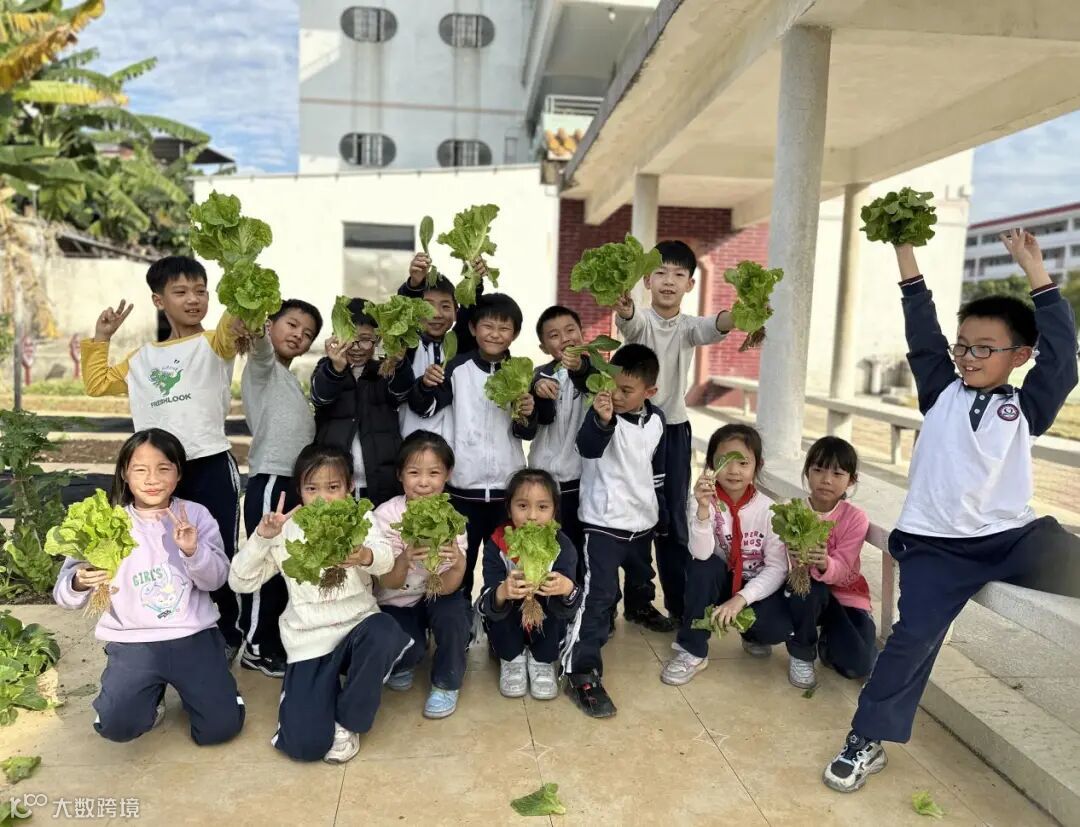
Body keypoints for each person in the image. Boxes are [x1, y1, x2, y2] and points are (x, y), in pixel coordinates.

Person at [823, 229, 1080, 794]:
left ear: (1020, 356)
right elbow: (922, 328)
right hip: (936, 546)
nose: (967, 356)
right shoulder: (940, 388)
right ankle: (866, 738)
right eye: (963, 346)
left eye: (984, 348)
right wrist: (904, 251)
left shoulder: (1028, 406)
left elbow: (1063, 356)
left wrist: (1036, 271)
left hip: (1010, 538)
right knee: (912, 637)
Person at [83, 256, 245, 660]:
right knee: (155, 549)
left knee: (216, 550)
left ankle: (226, 633)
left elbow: (237, 315)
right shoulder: (141, 359)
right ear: (159, 300)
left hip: (208, 463)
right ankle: (163, 622)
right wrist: (102, 337)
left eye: (200, 291)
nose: (193, 300)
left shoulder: (216, 343)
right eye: (181, 292)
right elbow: (97, 384)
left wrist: (238, 267)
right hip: (156, 473)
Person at [53, 429, 244, 746]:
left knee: (219, 729)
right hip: (134, 643)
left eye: (163, 468)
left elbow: (216, 580)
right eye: (140, 469)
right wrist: (78, 581)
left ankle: (214, 693)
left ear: (179, 473)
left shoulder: (195, 515)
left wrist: (193, 551)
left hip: (193, 636)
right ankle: (150, 696)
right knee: (117, 726)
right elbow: (65, 595)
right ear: (124, 474)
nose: (152, 479)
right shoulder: (105, 521)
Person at [229, 444, 411, 764]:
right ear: (299, 490)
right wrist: (262, 537)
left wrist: (364, 555)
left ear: (349, 487)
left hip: (357, 628)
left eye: (333, 487)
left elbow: (385, 560)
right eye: (312, 489)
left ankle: (349, 721)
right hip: (309, 639)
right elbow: (240, 581)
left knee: (384, 630)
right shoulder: (286, 528)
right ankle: (319, 691)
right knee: (304, 747)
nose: (323, 497)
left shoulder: (360, 517)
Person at [614, 240, 735, 632]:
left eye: (678, 274)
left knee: (673, 521)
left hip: (673, 432)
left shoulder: (688, 327)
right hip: (633, 428)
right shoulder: (641, 320)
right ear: (647, 281)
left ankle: (681, 606)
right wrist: (625, 308)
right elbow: (630, 322)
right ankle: (637, 603)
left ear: (690, 284)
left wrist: (742, 313)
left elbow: (716, 326)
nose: (669, 281)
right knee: (634, 514)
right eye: (660, 273)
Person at [408, 292, 538, 600]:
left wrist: (528, 411)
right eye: (488, 326)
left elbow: (526, 431)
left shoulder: (521, 373)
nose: (495, 334)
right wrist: (425, 384)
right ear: (472, 329)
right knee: (459, 564)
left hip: (507, 490)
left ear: (515, 333)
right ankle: (460, 617)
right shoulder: (456, 368)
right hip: (463, 490)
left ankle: (499, 616)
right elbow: (424, 408)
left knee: (507, 564)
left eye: (504, 328)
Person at [562, 344, 666, 718]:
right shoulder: (601, 414)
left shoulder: (657, 419)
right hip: (604, 526)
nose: (617, 396)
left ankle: (638, 609)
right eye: (613, 386)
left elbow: (655, 468)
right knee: (599, 595)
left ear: (649, 392)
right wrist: (603, 419)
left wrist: (659, 512)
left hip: (642, 522)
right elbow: (587, 448)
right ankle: (582, 671)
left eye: (627, 390)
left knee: (641, 574)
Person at [660, 424, 789, 686]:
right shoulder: (701, 500)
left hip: (753, 583)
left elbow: (777, 568)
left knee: (777, 628)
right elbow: (700, 554)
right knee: (702, 567)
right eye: (725, 461)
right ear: (711, 465)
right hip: (719, 580)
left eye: (743, 462)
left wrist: (741, 599)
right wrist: (703, 510)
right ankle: (693, 650)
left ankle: (752, 635)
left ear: (758, 465)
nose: (734, 470)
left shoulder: (770, 510)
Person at [238, 299, 323, 679]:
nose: (298, 335)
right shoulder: (264, 367)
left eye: (307, 334)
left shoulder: (287, 378)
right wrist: (254, 320)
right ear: (270, 325)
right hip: (272, 480)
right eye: (291, 324)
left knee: (284, 565)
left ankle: (272, 640)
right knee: (265, 564)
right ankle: (256, 647)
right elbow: (258, 347)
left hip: (290, 482)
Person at [373, 431, 471, 720]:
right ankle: (408, 657)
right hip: (397, 599)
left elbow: (451, 585)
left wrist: (458, 563)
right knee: (407, 649)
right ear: (400, 475)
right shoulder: (386, 515)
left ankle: (446, 683)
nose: (424, 482)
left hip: (436, 593)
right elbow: (386, 581)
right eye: (414, 473)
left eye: (434, 473)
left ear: (447, 475)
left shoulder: (452, 517)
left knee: (454, 617)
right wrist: (404, 559)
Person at [478, 469, 581, 701]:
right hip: (509, 620)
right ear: (508, 508)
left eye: (542, 507)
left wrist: (565, 587)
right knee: (502, 605)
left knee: (555, 607)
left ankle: (543, 660)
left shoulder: (562, 545)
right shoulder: (497, 543)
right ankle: (511, 658)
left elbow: (572, 598)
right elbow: (488, 594)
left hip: (546, 618)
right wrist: (502, 592)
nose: (532, 516)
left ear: (554, 510)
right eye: (522, 506)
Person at [784, 436, 875, 691]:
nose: (826, 480)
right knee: (810, 590)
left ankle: (827, 643)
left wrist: (825, 563)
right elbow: (785, 564)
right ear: (807, 472)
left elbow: (843, 568)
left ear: (851, 480)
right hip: (807, 596)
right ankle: (802, 653)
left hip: (846, 596)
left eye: (837, 473)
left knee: (857, 665)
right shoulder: (792, 511)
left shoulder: (855, 518)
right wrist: (797, 555)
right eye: (818, 470)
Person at [310, 299, 414, 506]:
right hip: (334, 484)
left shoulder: (384, 370)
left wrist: (399, 363)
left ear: (377, 339)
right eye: (350, 339)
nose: (356, 348)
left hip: (381, 483)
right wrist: (336, 369)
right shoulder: (326, 368)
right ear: (337, 337)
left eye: (365, 340)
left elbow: (402, 391)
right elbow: (320, 397)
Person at [529, 305, 596, 569]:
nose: (565, 339)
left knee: (579, 552)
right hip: (544, 481)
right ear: (544, 346)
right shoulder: (538, 375)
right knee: (544, 552)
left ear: (582, 333)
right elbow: (534, 423)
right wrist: (536, 390)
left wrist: (579, 368)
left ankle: (577, 593)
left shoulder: (596, 372)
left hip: (580, 481)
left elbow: (589, 380)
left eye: (570, 330)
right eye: (554, 335)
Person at [397, 253, 487, 439]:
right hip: (410, 445)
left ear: (456, 312)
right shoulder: (408, 345)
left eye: (445, 306)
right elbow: (403, 316)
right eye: (427, 307)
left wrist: (474, 281)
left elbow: (469, 312)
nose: (437, 314)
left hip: (453, 447)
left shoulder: (458, 346)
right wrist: (414, 285)